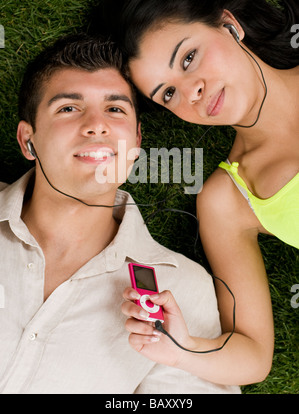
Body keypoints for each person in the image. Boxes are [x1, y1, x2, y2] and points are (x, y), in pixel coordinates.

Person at [98, 0, 299, 385]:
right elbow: (252, 355)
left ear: (230, 25)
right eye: (167, 94)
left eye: (188, 58)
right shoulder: (228, 200)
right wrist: (180, 346)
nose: (191, 92)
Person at [0, 33, 240, 394]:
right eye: (68, 108)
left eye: (115, 109)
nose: (97, 125)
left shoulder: (181, 288)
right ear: (27, 140)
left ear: (138, 141)